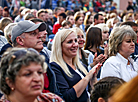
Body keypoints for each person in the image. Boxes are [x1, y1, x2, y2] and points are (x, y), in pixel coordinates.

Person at [50, 29, 102, 102]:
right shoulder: (55, 67)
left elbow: (92, 92)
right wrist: (87, 77)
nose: (75, 45)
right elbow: (67, 97)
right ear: (60, 46)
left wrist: (93, 79)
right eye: (69, 42)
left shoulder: (81, 66)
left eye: (75, 41)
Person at [11, 20, 60, 95]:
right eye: (33, 34)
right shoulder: (10, 65)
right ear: (20, 40)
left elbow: (55, 91)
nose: (40, 36)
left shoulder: (43, 57)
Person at [0, 47, 64, 102]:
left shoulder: (52, 99)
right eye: (28, 74)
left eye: (39, 72)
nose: (37, 79)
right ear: (10, 82)